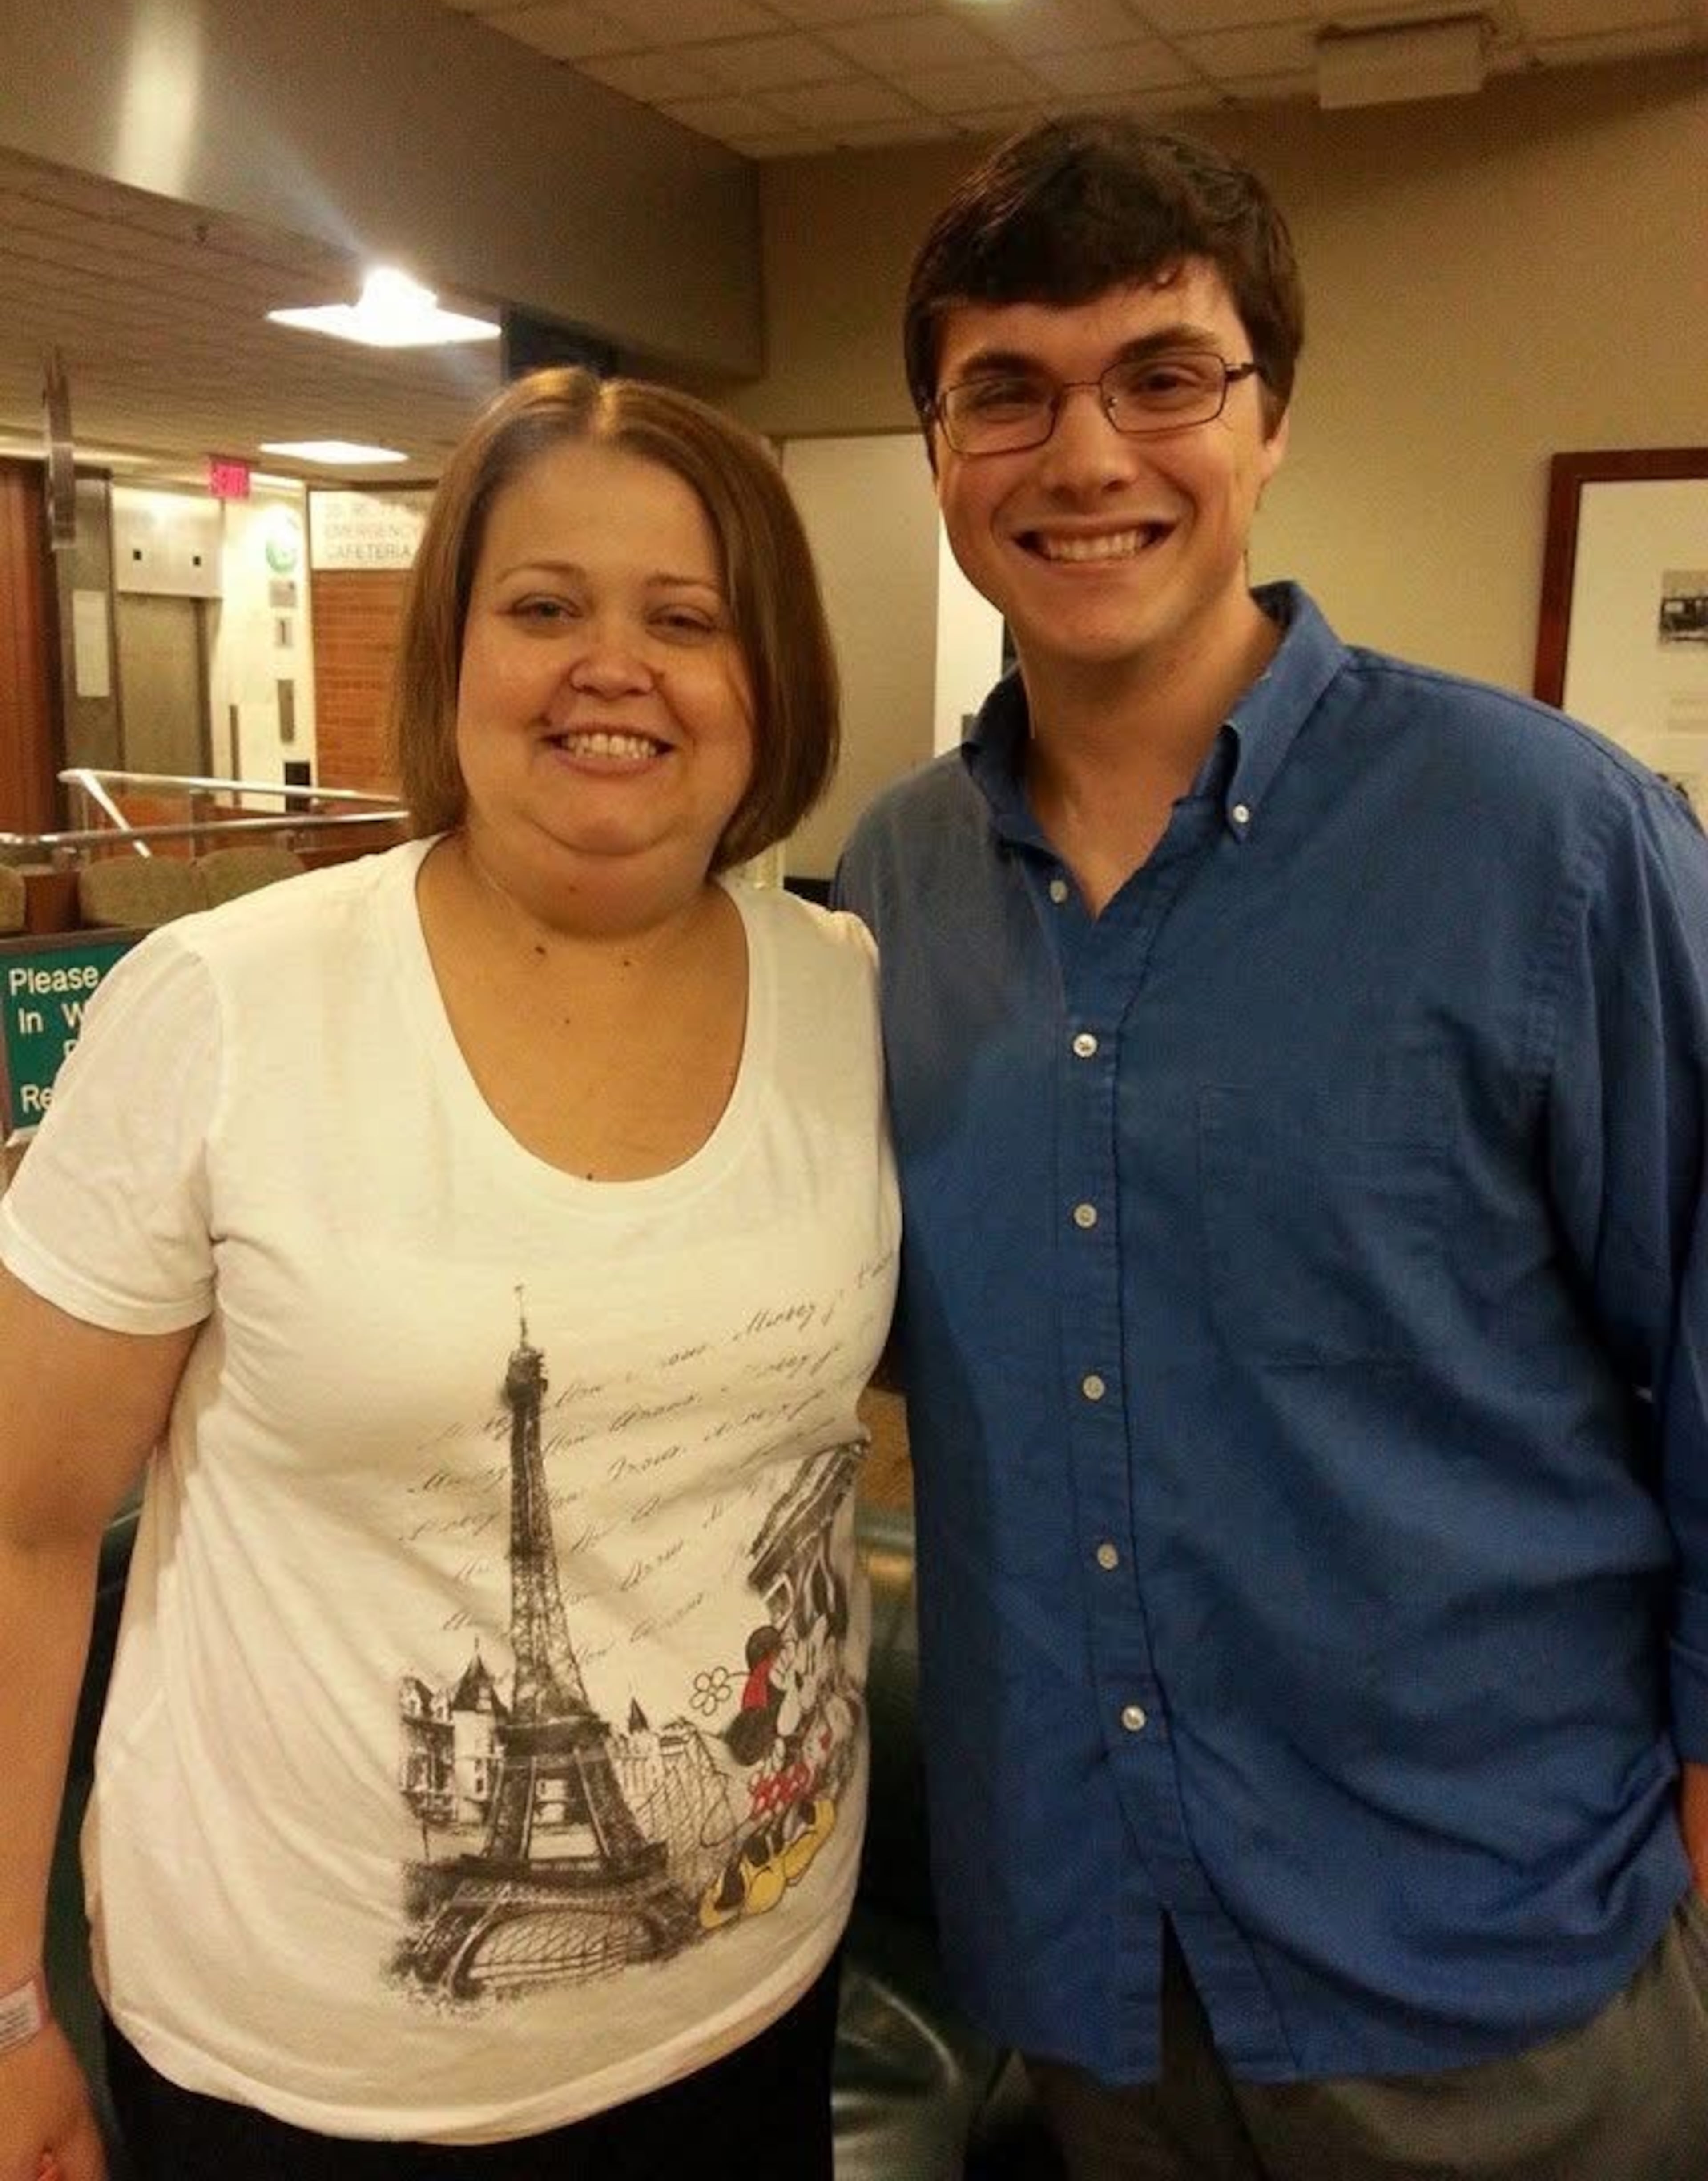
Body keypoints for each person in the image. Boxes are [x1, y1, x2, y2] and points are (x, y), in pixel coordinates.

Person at [834, 113, 1708, 2180]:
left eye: (1161, 374)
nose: (1087, 454)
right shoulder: (889, 881)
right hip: (1085, 1966)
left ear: (1271, 415)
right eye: (1007, 392)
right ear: (943, 447)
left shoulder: (1551, 842)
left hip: (1489, 1974)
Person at [0, 366, 898, 2181]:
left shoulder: (846, 990)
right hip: (304, 2080)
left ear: (766, 679)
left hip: (751, 2004)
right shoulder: (228, 1005)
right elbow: (21, 1524)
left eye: (686, 618)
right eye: (545, 607)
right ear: (453, 651)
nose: (612, 665)